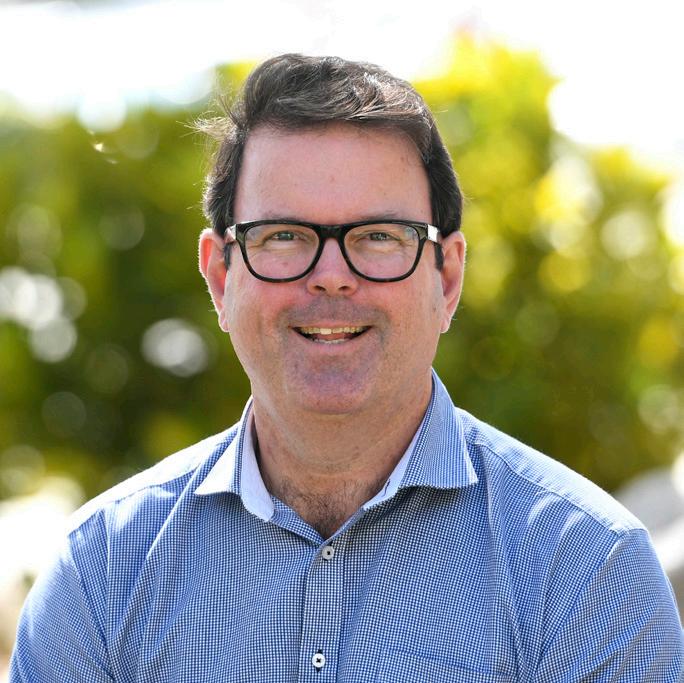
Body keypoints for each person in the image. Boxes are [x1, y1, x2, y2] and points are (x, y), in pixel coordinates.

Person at [9, 53, 684, 682]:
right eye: (283, 236)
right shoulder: (99, 578)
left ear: (447, 278)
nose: (331, 276)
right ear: (220, 277)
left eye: (378, 237)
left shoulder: (588, 569)